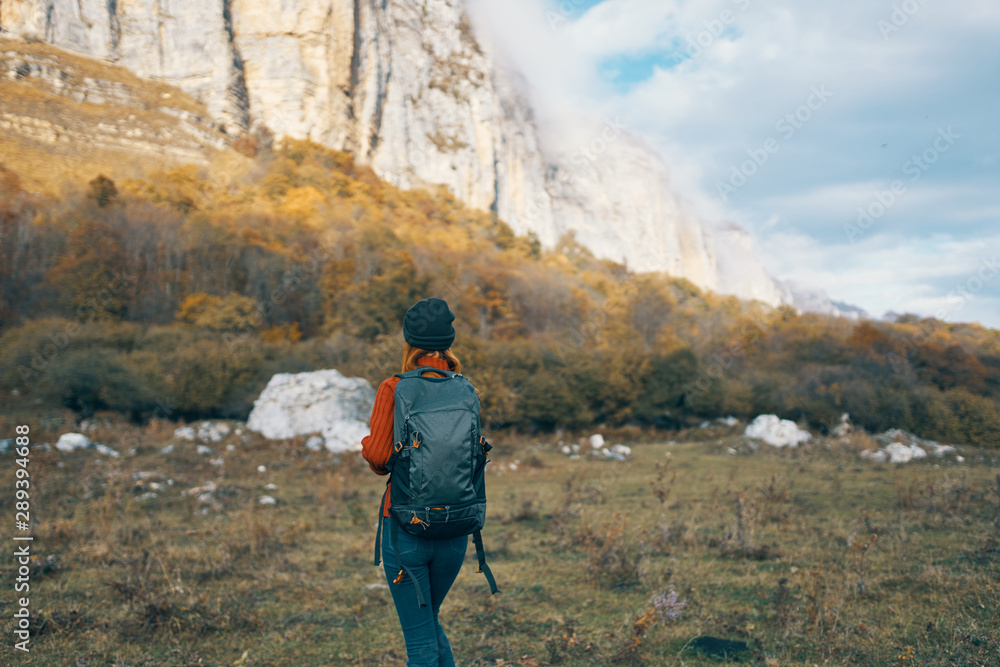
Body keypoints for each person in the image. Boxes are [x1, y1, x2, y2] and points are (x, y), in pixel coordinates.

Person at [361, 297, 469, 667]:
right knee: (428, 624)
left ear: (409, 342)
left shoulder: (395, 388)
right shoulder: (465, 388)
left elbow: (378, 457)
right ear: (448, 342)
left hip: (407, 528)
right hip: (456, 529)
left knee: (420, 645)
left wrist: (374, 444)